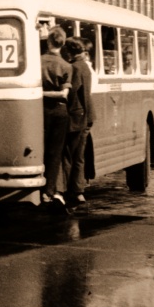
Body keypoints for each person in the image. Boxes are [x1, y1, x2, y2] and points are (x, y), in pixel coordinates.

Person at [41, 25, 73, 213]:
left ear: (48, 41)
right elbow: (64, 94)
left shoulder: (36, 63)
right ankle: (49, 190)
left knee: (42, 149)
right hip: (59, 112)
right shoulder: (66, 66)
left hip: (40, 110)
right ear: (62, 44)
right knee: (55, 153)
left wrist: (40, 92)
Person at [61, 37, 95, 207]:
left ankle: (70, 190)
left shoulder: (74, 67)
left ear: (69, 51)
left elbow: (72, 93)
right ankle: (79, 191)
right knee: (79, 156)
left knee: (68, 156)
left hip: (75, 117)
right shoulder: (85, 66)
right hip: (87, 116)